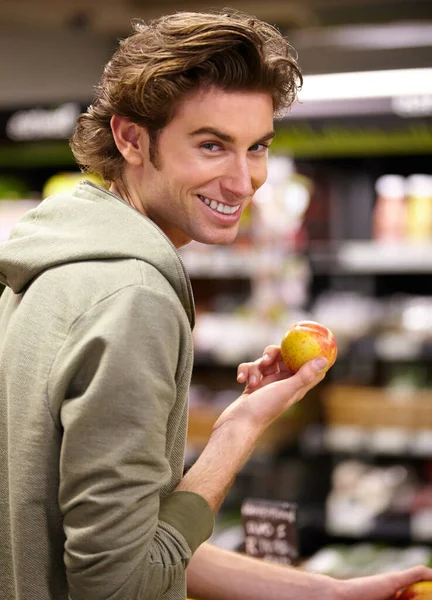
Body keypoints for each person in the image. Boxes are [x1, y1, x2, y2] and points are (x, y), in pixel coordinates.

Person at [0, 10, 431, 600]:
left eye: (257, 148)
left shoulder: (52, 269)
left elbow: (131, 542)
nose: (242, 180)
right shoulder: (134, 296)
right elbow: (124, 585)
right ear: (130, 138)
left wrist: (326, 593)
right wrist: (237, 433)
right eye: (211, 145)